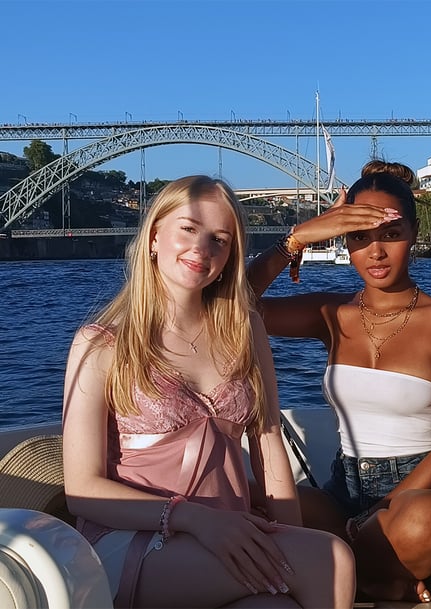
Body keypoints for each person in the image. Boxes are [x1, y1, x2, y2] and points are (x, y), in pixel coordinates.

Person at [62, 175, 355, 609]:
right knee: (330, 557)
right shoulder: (103, 343)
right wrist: (193, 519)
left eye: (220, 239)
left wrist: (289, 534)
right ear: (154, 235)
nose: (203, 248)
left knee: (277, 605)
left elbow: (269, 440)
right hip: (132, 542)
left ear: (230, 256)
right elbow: (81, 487)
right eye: (188, 228)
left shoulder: (245, 328)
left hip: (226, 534)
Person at [247, 161, 431, 603]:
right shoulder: (331, 315)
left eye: (390, 234)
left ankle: (346, 567)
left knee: (427, 522)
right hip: (343, 489)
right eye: (358, 237)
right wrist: (295, 239)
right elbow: (225, 306)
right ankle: (382, 576)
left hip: (418, 495)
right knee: (251, 505)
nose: (375, 252)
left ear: (413, 232)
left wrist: (375, 516)